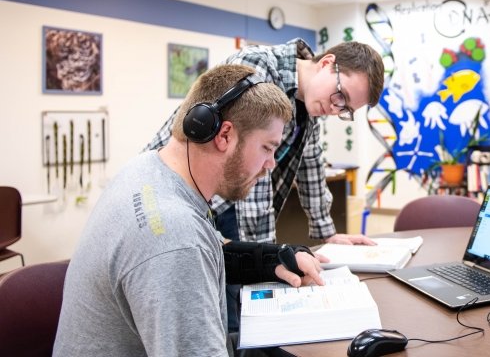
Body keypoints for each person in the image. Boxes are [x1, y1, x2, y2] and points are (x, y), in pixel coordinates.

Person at [54, 65, 325, 356]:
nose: (270, 164)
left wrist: (270, 258)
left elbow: (207, 247)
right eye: (267, 148)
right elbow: (184, 250)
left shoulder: (148, 169)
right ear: (223, 136)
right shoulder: (175, 237)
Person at [145, 39, 383, 332]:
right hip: (179, 197)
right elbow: (247, 168)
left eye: (346, 109)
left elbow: (310, 164)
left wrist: (327, 232)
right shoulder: (258, 68)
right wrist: (269, 259)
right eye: (340, 96)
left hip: (223, 201)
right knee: (224, 315)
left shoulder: (309, 104)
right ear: (326, 63)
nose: (337, 109)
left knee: (235, 311)